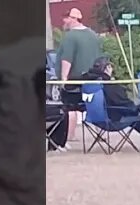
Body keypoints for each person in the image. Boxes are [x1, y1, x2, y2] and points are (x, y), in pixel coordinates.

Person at [80, 57, 140, 151]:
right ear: (108, 68)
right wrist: (135, 108)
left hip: (94, 119)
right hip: (113, 120)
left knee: (137, 116)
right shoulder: (108, 84)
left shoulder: (88, 83)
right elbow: (121, 102)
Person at [57, 8, 101, 140]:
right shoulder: (93, 35)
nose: (63, 21)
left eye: (66, 18)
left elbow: (67, 59)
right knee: (95, 104)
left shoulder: (71, 36)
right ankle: (99, 133)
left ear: (73, 19)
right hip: (93, 78)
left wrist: (64, 79)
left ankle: (69, 136)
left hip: (74, 79)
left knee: (70, 107)